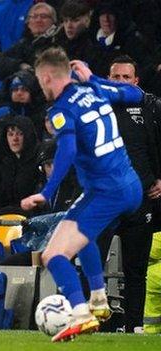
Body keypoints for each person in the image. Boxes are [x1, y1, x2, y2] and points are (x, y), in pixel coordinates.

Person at [20, 47, 144, 342]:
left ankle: (79, 312)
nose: (41, 88)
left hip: (106, 192)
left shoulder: (62, 109)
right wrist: (95, 78)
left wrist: (47, 191)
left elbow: (68, 149)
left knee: (53, 254)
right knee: (78, 231)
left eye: (40, 82)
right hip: (130, 184)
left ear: (48, 76)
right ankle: (99, 299)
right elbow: (136, 95)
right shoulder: (94, 88)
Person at [106, 55, 161, 332]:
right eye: (115, 77)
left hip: (140, 201)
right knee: (89, 265)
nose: (120, 82)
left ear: (136, 81)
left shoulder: (151, 109)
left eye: (126, 77)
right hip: (103, 200)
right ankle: (86, 323)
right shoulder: (94, 109)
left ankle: (134, 327)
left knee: (136, 269)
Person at [0, 2, 58, 80]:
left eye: (43, 16)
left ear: (53, 22)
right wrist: (20, 66)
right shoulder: (24, 43)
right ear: (28, 23)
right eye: (34, 17)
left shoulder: (57, 43)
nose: (38, 20)